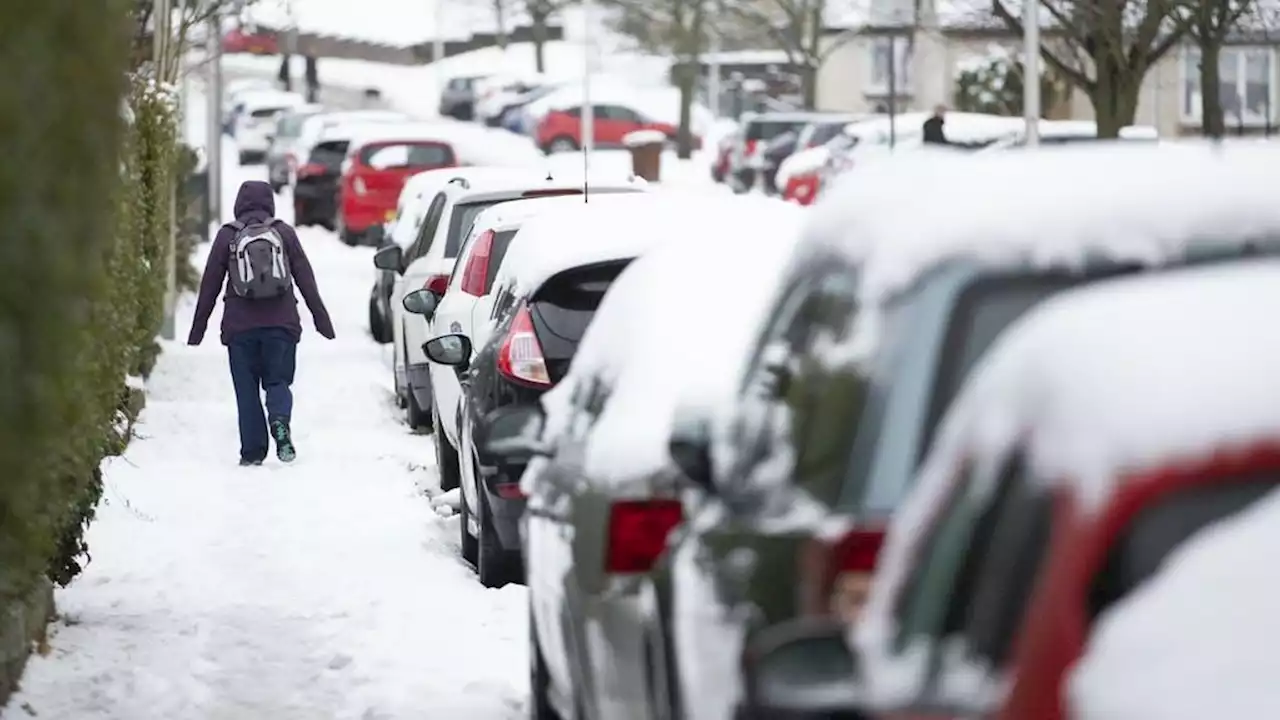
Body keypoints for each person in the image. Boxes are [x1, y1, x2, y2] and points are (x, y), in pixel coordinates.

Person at [188, 180, 335, 466]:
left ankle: (253, 452)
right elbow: (306, 278)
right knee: (278, 381)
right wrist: (321, 320)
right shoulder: (284, 233)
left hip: (239, 329)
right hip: (282, 326)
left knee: (247, 391)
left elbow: (210, 285)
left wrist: (198, 329)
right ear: (270, 203)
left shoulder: (227, 236)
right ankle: (280, 419)